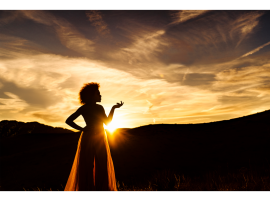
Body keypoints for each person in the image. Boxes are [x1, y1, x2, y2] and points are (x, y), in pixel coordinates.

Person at [64, 82, 123, 192]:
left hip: (97, 137)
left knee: (100, 164)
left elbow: (107, 122)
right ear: (91, 96)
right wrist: (82, 128)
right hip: (91, 138)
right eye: (98, 94)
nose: (100, 96)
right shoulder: (85, 108)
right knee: (89, 164)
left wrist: (114, 108)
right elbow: (68, 120)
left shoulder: (96, 108)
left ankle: (98, 189)